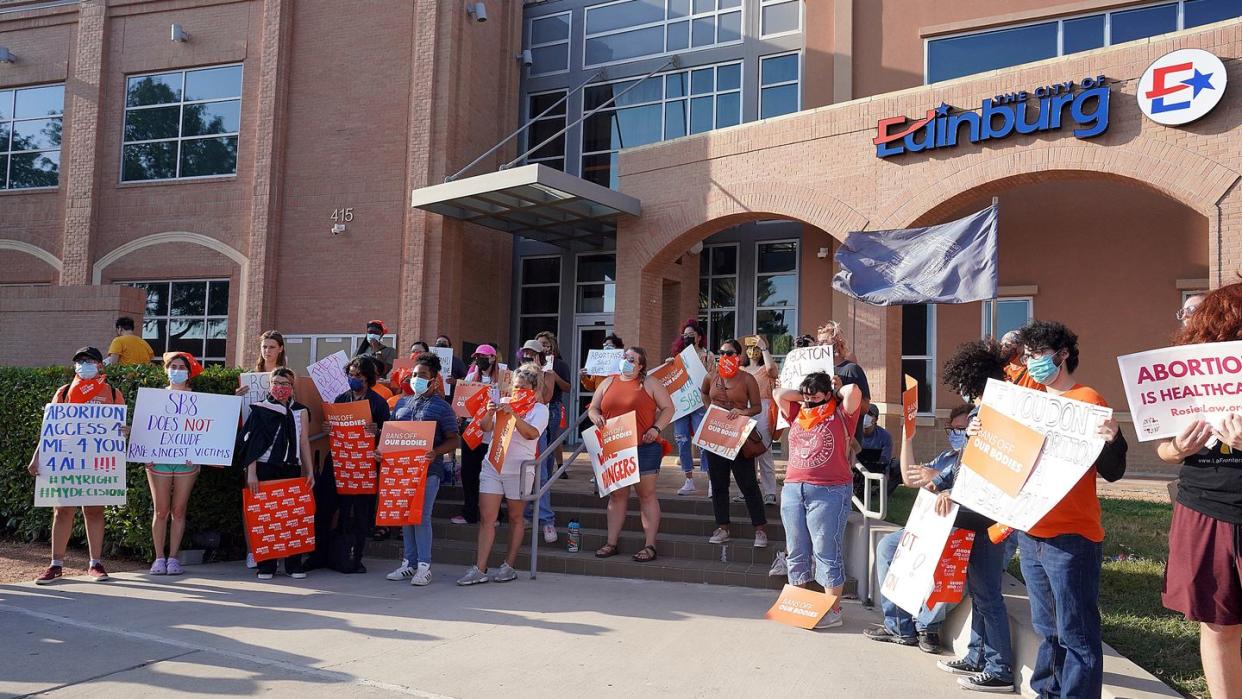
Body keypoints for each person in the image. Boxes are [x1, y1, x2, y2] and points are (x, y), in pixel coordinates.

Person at [1000, 320, 1127, 698]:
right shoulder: (1029, 401)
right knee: (1047, 629)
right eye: (1027, 356)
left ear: (1063, 355)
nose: (1031, 363)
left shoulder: (1089, 400)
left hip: (1072, 537)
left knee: (1077, 633)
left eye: (1038, 355)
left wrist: (1114, 440)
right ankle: (1047, 692)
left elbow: (1113, 472)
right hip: (1032, 532)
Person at [1157, 283, 1242, 699]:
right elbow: (1164, 448)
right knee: (1217, 623)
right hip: (1203, 508)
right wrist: (1178, 447)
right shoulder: (1188, 376)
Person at [866, 403, 974, 651]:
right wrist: (907, 437)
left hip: (961, 533)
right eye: (954, 429)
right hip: (930, 528)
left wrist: (945, 486)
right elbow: (909, 477)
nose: (958, 434)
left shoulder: (977, 461)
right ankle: (899, 625)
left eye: (964, 429)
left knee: (951, 563)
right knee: (887, 547)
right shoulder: (947, 457)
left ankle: (928, 626)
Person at [771, 371, 862, 629]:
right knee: (797, 550)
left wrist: (835, 391)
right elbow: (779, 394)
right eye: (807, 400)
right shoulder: (799, 411)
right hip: (793, 489)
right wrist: (807, 394)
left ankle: (833, 610)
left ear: (829, 396)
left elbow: (854, 390)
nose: (810, 405)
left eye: (815, 400)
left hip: (829, 491)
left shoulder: (841, 413)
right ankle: (801, 605)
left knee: (826, 551)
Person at [28, 347, 125, 584]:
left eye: (90, 360)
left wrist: (124, 431)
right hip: (67, 461)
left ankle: (95, 563)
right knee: (62, 511)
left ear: (100, 365)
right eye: (80, 361)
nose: (85, 364)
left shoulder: (112, 392)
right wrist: (37, 455)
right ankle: (56, 564)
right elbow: (51, 429)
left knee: (94, 510)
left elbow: (120, 427)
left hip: (97, 463)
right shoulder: (63, 393)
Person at [456, 364, 547, 585]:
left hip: (519, 469)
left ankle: (509, 565)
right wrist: (489, 412)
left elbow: (532, 434)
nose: (518, 391)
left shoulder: (540, 409)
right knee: (487, 519)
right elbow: (486, 427)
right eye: (516, 386)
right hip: (493, 465)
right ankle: (480, 568)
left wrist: (514, 414)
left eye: (523, 387)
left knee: (516, 517)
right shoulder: (505, 402)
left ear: (534, 389)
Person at [588, 346, 674, 562]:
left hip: (644, 447)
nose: (626, 361)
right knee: (617, 496)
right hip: (615, 447)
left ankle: (650, 545)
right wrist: (595, 417)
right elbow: (593, 407)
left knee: (646, 495)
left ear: (641, 365)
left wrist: (655, 429)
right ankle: (611, 543)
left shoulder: (650, 383)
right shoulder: (609, 381)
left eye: (632, 359)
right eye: (625, 357)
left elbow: (668, 408)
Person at [387, 353, 461, 586]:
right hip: (402, 470)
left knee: (421, 517)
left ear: (434, 379)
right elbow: (392, 434)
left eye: (423, 376)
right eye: (414, 375)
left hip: (429, 471)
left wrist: (435, 453)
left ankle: (424, 566)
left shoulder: (442, 408)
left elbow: (454, 440)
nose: (417, 379)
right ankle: (408, 564)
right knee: (407, 518)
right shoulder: (401, 402)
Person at [238, 367, 315, 581]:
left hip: (290, 466)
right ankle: (267, 564)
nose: (280, 388)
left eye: (285, 384)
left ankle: (293, 563)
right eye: (277, 383)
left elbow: (303, 442)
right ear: (270, 385)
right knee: (265, 517)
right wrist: (251, 473)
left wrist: (309, 470)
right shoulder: (261, 409)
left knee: (292, 517)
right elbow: (251, 443)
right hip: (265, 466)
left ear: (292, 387)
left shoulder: (301, 411)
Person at [316, 356, 391, 574]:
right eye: (350, 374)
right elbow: (334, 428)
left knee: (360, 515)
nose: (353, 379)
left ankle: (355, 559)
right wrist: (328, 428)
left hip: (364, 466)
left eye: (357, 375)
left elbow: (387, 434)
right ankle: (326, 555)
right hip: (340, 462)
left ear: (367, 377)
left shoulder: (378, 403)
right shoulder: (341, 399)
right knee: (330, 508)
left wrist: (376, 432)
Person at [701, 338, 768, 547]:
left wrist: (742, 412)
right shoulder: (712, 375)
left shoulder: (747, 379)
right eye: (721, 352)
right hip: (715, 434)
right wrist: (709, 411)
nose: (724, 356)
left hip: (737, 434)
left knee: (747, 482)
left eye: (729, 353)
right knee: (719, 483)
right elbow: (704, 393)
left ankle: (760, 530)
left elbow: (757, 407)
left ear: (738, 356)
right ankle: (723, 527)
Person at [145, 352, 205, 576]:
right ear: (166, 369)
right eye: (173, 366)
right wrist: (144, 450)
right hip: (158, 460)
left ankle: (173, 558)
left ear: (188, 372)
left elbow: (205, 431)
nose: (177, 370)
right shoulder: (156, 397)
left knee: (179, 511)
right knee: (161, 511)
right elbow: (147, 426)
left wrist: (198, 454)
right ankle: (159, 558)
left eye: (181, 367)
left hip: (186, 462)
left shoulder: (198, 399)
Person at [235, 330, 287, 568]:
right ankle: (252, 549)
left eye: (272, 347)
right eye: (264, 347)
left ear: (280, 349)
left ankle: (275, 547)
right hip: (253, 446)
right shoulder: (250, 378)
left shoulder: (286, 379)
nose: (267, 351)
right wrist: (237, 398)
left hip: (279, 449)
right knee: (251, 497)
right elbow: (240, 417)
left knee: (276, 501)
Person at [452, 344, 502, 526]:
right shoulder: (472, 376)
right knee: (469, 473)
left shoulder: (503, 377)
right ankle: (470, 512)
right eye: (476, 356)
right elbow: (462, 402)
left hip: (494, 433)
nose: (478, 359)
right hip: (472, 431)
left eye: (482, 356)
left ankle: (493, 515)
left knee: (491, 475)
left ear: (492, 358)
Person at [518, 339, 557, 542]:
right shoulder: (518, 374)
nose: (527, 356)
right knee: (522, 473)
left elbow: (544, 398)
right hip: (518, 427)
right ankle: (523, 515)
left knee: (540, 474)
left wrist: (537, 373)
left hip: (537, 428)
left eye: (532, 353)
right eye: (525, 352)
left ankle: (546, 520)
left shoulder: (547, 374)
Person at [671, 319, 712, 496]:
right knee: (682, 440)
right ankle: (688, 480)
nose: (687, 338)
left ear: (699, 337)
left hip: (699, 402)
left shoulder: (707, 355)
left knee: (704, 441)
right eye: (685, 335)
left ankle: (712, 480)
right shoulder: (678, 357)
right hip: (682, 404)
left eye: (691, 335)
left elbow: (712, 377)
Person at [737, 336, 780, 506]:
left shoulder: (765, 369)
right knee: (745, 452)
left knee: (763, 451)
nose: (753, 351)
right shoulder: (741, 369)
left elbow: (773, 371)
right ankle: (746, 491)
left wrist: (764, 348)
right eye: (750, 347)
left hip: (763, 408)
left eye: (757, 348)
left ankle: (769, 492)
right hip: (744, 409)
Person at [536, 331, 572, 482]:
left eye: (545, 344)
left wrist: (554, 376)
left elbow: (568, 388)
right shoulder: (533, 362)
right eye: (539, 344)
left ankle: (546, 479)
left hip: (553, 407)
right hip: (535, 406)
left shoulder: (560, 364)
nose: (542, 347)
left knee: (549, 444)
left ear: (552, 346)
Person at [857, 403, 897, 496]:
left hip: (876, 466)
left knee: (897, 466)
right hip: (857, 467)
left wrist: (885, 473)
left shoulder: (885, 436)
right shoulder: (854, 432)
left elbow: (885, 460)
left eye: (870, 415)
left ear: (876, 419)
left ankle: (882, 492)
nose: (866, 417)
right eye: (864, 414)